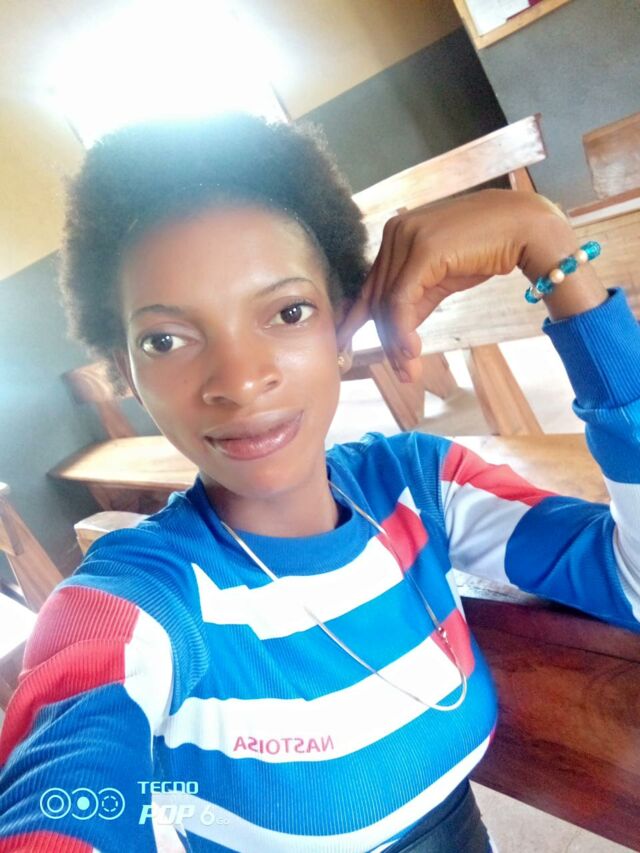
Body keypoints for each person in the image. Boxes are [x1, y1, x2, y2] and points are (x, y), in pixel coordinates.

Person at [0, 113, 638, 853]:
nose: (240, 380)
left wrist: (551, 249)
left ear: (340, 326)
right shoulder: (132, 602)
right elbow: (62, 802)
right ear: (126, 370)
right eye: (165, 339)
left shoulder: (416, 486)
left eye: (288, 311)